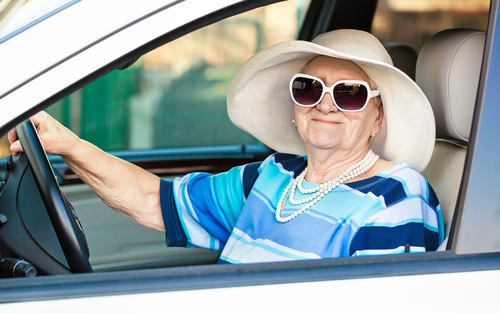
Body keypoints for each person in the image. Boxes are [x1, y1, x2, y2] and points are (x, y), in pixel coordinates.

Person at [9, 29, 444, 264]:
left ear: (377, 116)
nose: (326, 103)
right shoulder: (273, 175)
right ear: (295, 108)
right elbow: (154, 200)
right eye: (309, 88)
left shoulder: (397, 199)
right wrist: (68, 145)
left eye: (349, 93)